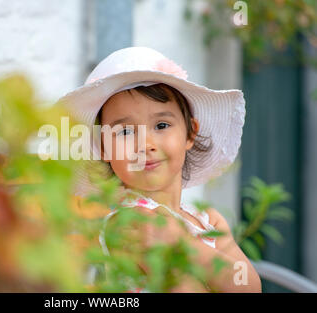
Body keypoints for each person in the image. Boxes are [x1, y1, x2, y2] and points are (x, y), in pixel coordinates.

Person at [57, 47, 261, 292]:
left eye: (161, 125)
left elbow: (248, 287)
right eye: (125, 132)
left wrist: (181, 240)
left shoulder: (208, 219)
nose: (146, 145)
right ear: (103, 147)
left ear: (190, 133)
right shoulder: (132, 223)